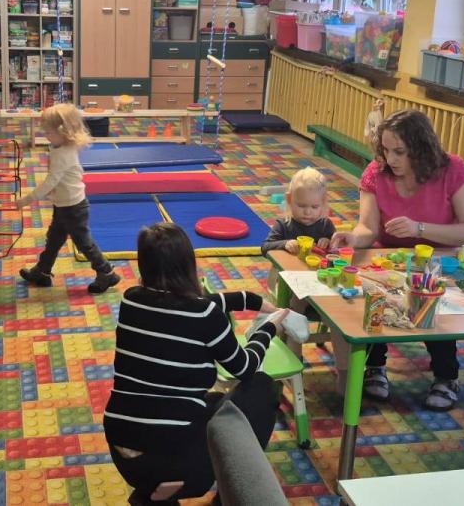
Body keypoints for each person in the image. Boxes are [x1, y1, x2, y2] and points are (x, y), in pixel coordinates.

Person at [104, 223, 286, 505]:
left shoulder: (131, 300)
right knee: (262, 388)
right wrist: (268, 328)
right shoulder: (205, 315)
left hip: (121, 446)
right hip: (172, 456)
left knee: (212, 403)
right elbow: (244, 368)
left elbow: (184, 303)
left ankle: (154, 491)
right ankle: (219, 493)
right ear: (188, 263)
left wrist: (248, 300)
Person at [329, 109, 464, 410]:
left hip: (439, 258)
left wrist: (419, 229)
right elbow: (368, 228)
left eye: (399, 151)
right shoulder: (376, 172)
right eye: (386, 150)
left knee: (431, 302)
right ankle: (375, 366)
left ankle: (446, 376)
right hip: (389, 258)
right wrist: (354, 238)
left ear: (421, 148)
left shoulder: (452, 170)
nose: (391, 159)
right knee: (374, 299)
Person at [16, 103, 120, 294]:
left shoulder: (62, 154)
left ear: (63, 132)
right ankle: (42, 271)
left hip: (73, 208)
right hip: (64, 204)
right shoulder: (62, 145)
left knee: (84, 243)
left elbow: (50, 182)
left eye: (49, 132)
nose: (46, 135)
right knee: (54, 239)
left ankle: (106, 272)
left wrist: (26, 200)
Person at [261, 167, 337, 253]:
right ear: (289, 199)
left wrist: (328, 241)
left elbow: (337, 249)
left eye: (314, 207)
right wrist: (285, 244)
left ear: (323, 203)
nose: (307, 212)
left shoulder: (325, 225)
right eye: (301, 206)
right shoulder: (283, 225)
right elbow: (265, 247)